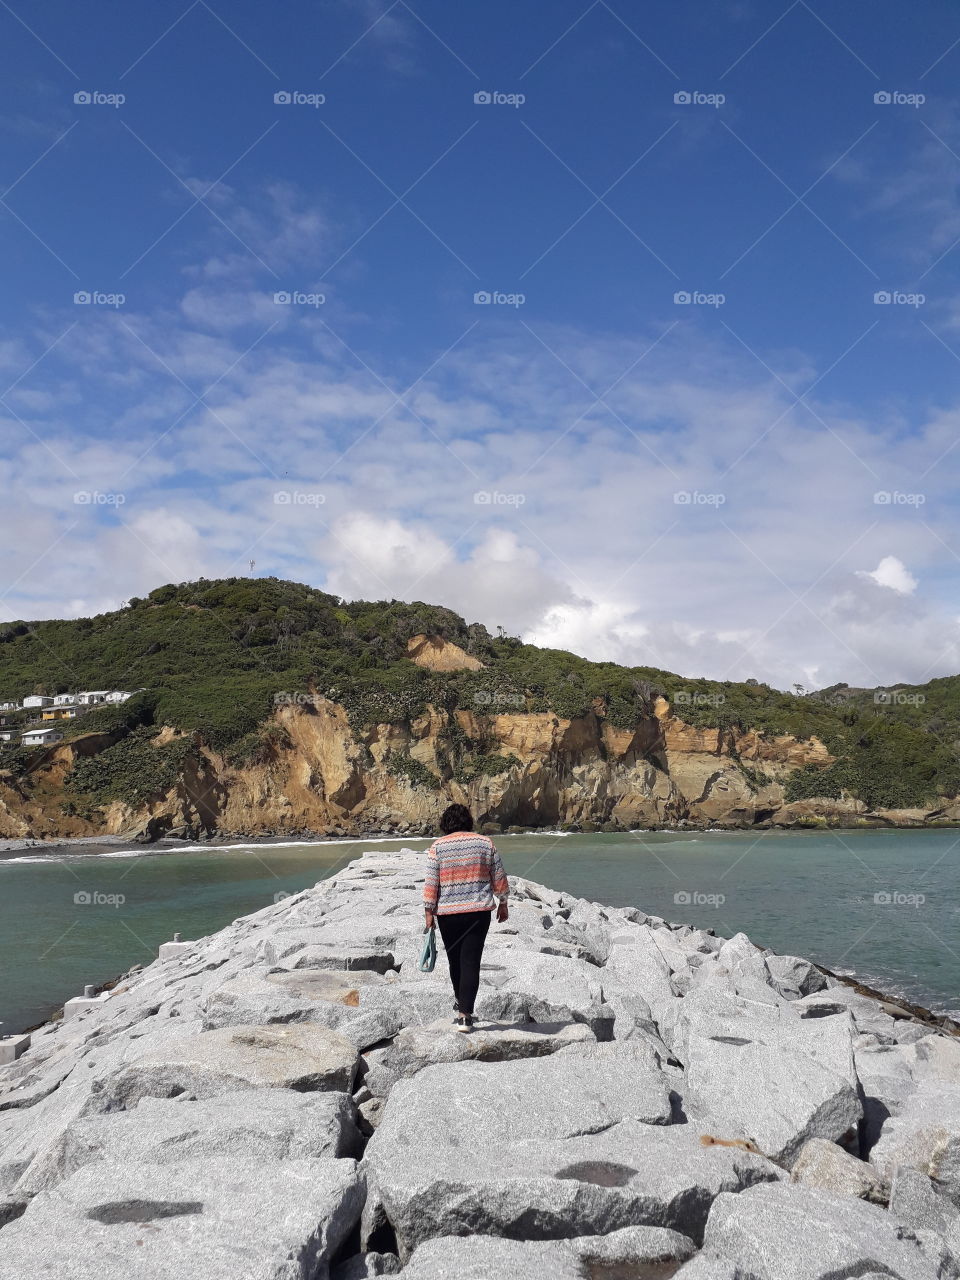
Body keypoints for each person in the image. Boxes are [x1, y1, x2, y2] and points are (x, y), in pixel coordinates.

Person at [423, 802, 509, 1031]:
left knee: (455, 961)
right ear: (468, 822)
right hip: (478, 913)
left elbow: (432, 882)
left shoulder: (438, 847)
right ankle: (465, 1015)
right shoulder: (485, 843)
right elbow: (498, 875)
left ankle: (461, 1002)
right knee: (471, 961)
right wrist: (503, 902)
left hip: (448, 914)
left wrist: (428, 912)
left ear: (445, 823)